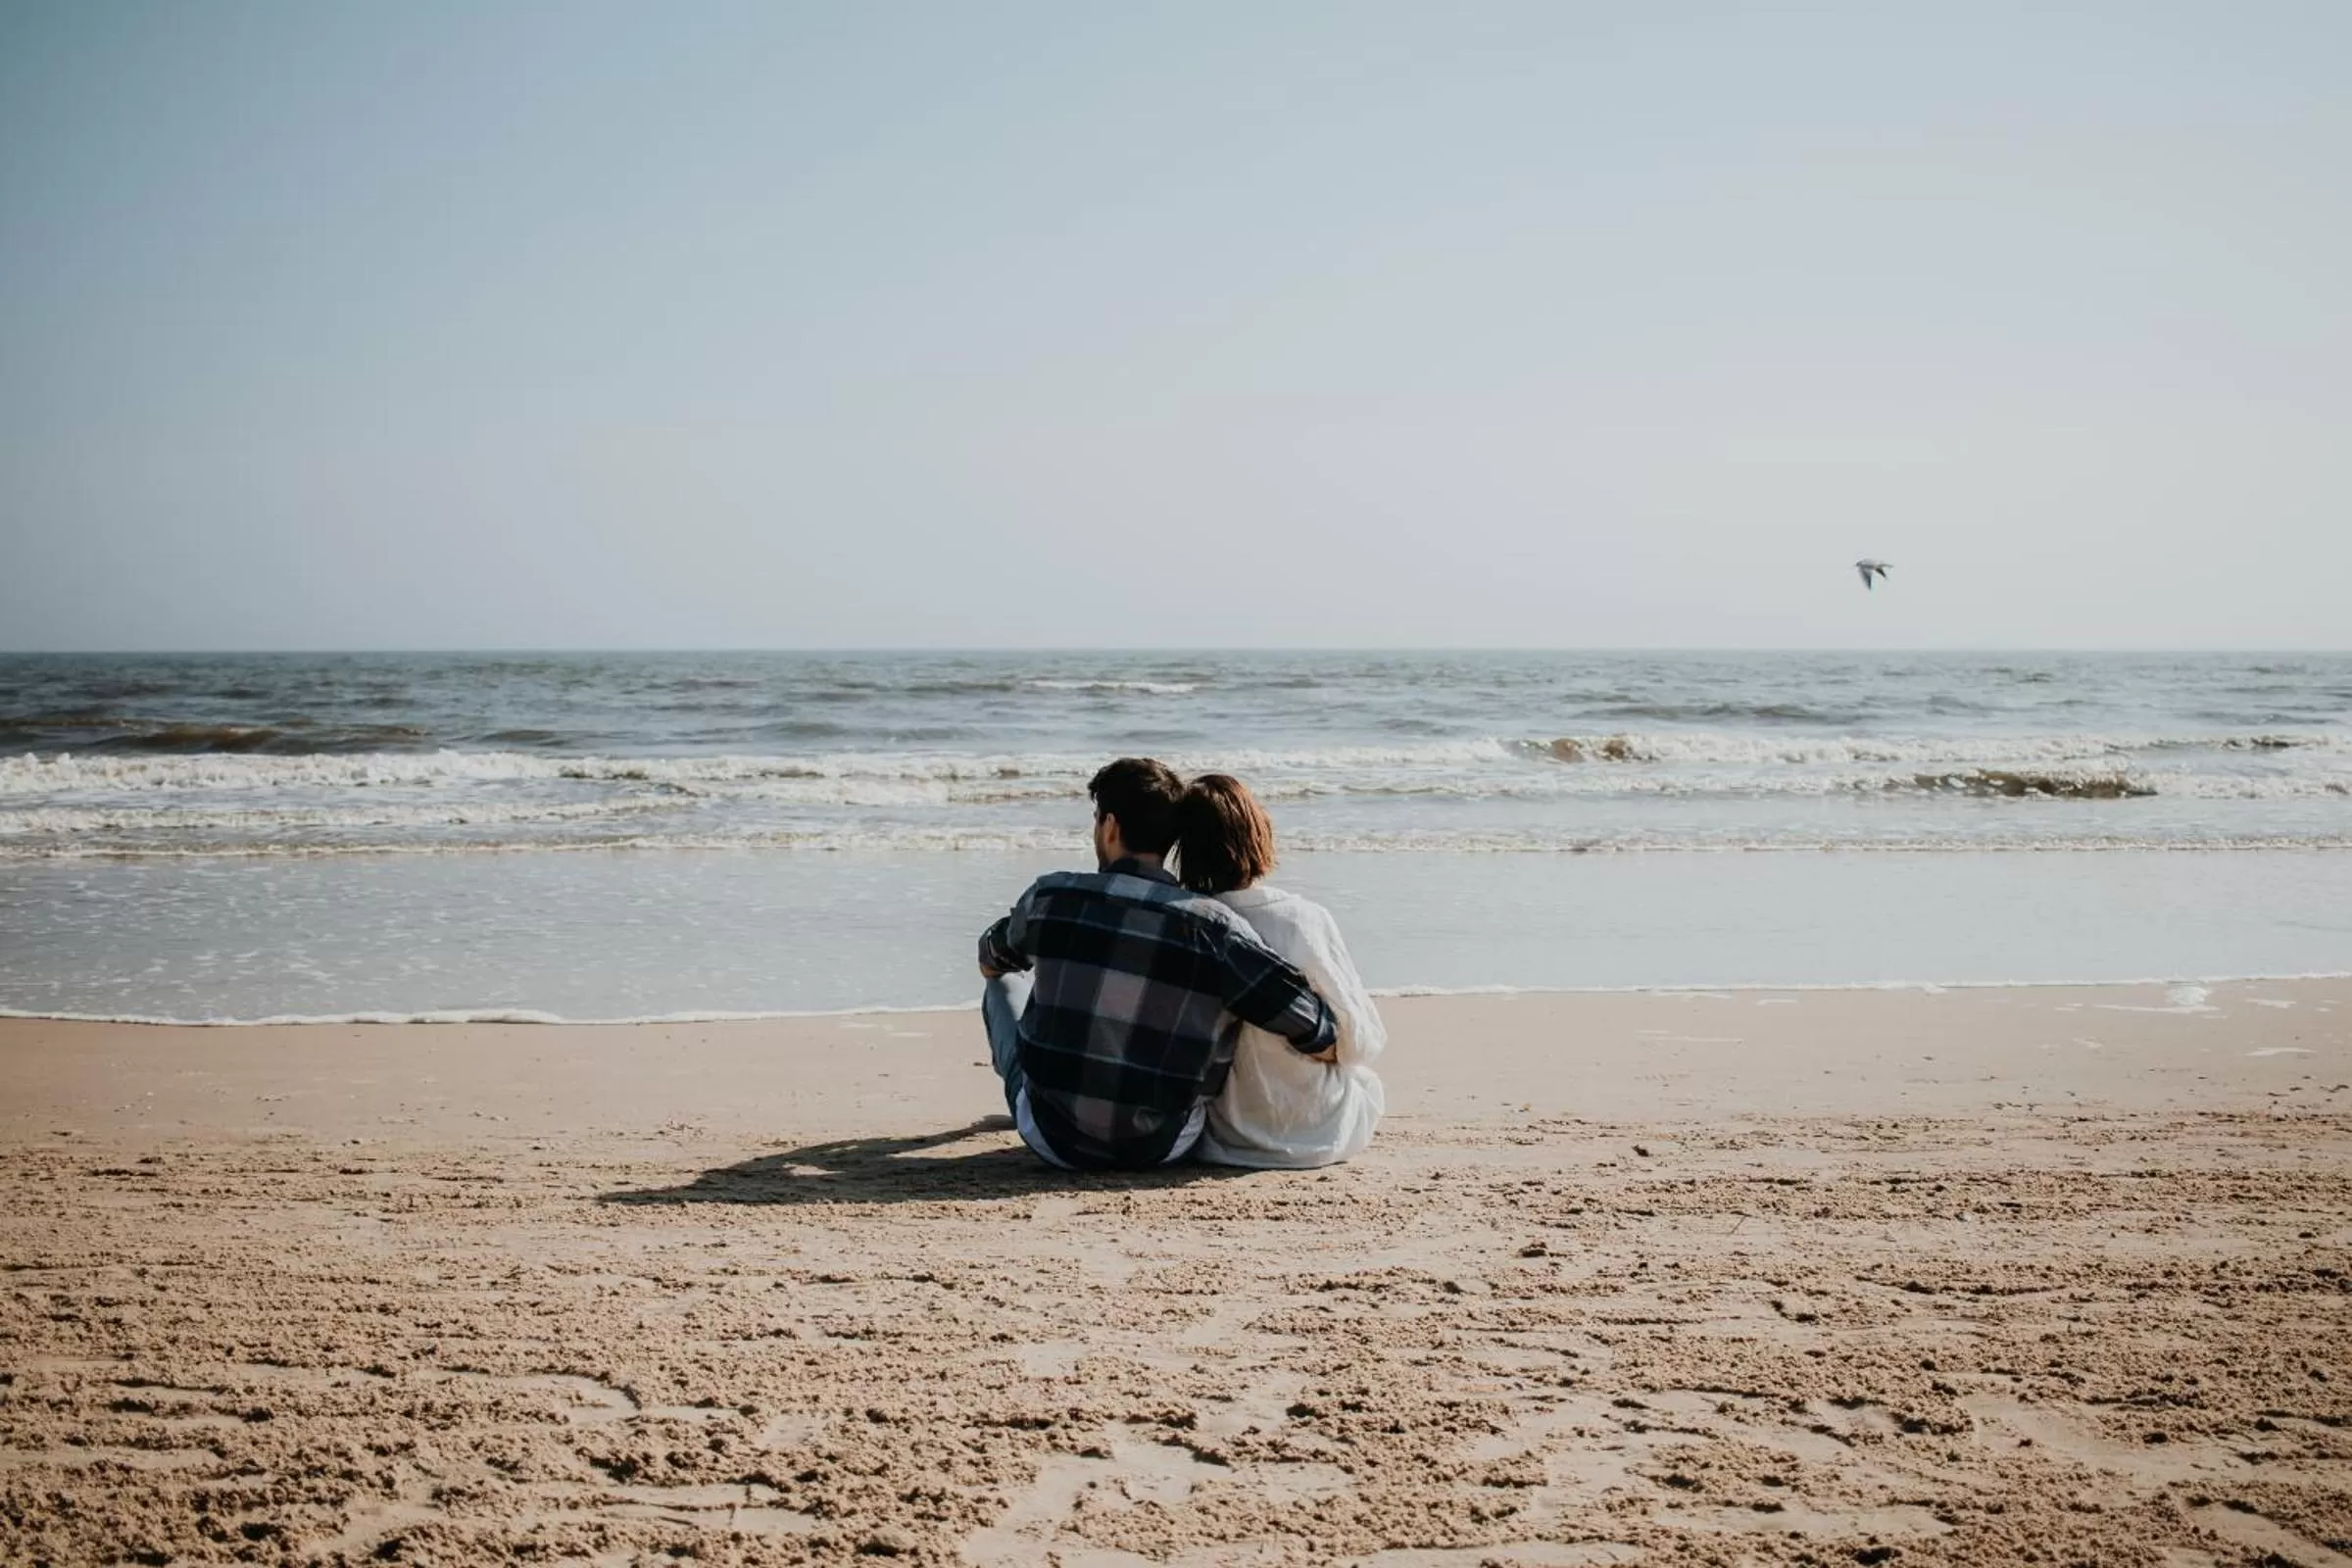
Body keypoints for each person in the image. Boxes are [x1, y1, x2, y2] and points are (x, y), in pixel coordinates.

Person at [976, 758, 1339, 1171]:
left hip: (1053, 1140)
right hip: (1160, 1145)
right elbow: (1314, 1025)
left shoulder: (1050, 898)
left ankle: (1029, 1090)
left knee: (1002, 981)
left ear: (1110, 826)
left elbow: (991, 955)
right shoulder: (1212, 926)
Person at [1171, 773, 1385, 1168]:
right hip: (1318, 1134)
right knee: (1366, 1081)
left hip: (1222, 1138)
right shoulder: (1301, 919)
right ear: (1259, 833)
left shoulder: (1181, 923)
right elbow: (1360, 1042)